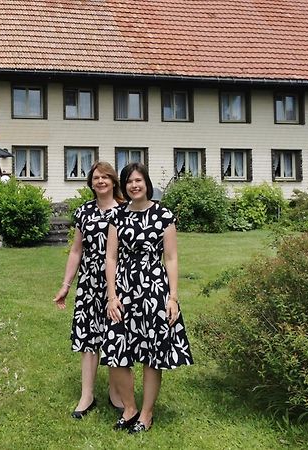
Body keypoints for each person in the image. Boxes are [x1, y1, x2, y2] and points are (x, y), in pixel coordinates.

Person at [101, 162, 193, 433]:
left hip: (154, 289)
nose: (134, 185)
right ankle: (129, 408)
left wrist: (173, 297)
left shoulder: (163, 214)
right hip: (124, 290)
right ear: (124, 186)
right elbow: (111, 257)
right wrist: (111, 296)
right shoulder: (117, 216)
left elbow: (172, 257)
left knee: (152, 354)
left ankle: (146, 414)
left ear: (146, 182)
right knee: (117, 349)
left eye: (138, 180)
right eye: (129, 181)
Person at [53, 161, 126, 419]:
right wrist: (66, 285)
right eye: (96, 177)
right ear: (90, 183)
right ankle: (87, 395)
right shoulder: (84, 212)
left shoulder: (125, 211)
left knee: (117, 338)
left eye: (106, 177)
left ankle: (116, 393)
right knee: (88, 338)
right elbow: (76, 250)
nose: (101, 181)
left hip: (119, 285)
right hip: (89, 284)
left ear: (114, 181)